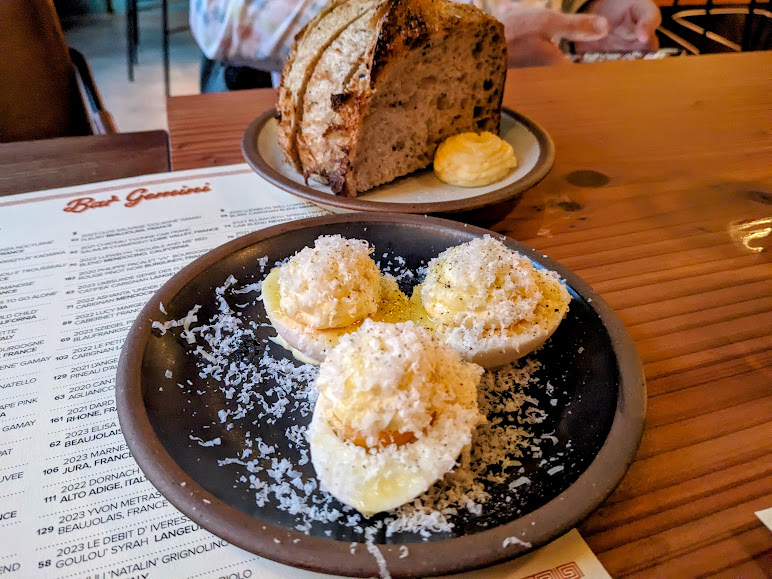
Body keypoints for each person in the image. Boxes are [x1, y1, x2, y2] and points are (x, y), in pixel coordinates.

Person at [190, 0, 661, 92]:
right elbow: (223, 18)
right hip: (348, 123)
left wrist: (595, 13)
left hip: (540, 124)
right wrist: (460, 40)